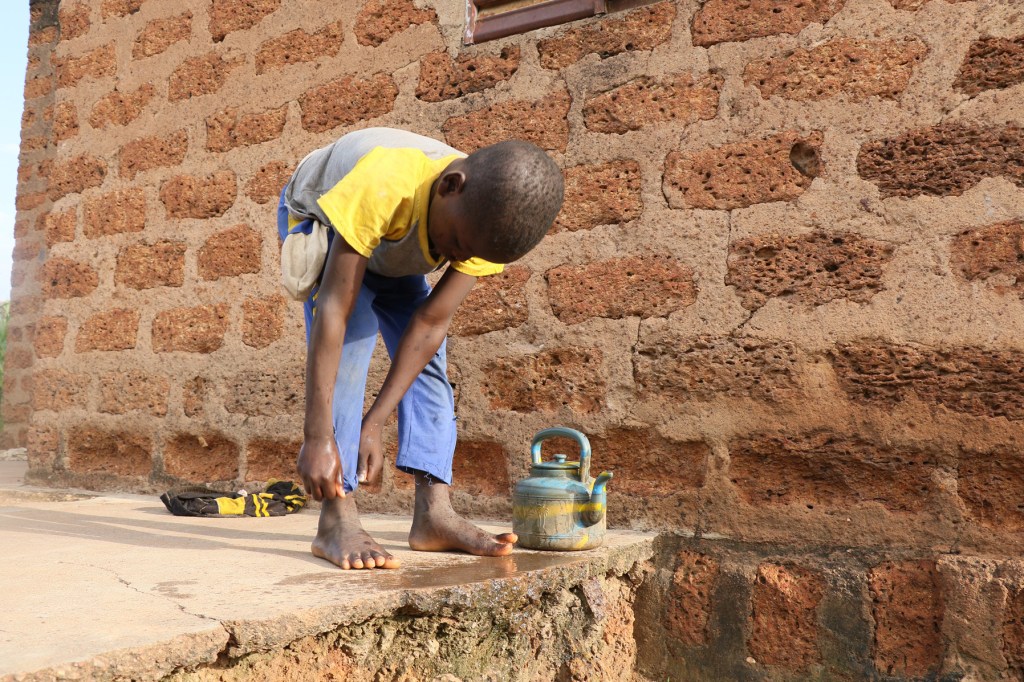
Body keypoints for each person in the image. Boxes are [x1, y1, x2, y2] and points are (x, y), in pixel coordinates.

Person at [277, 127, 564, 570]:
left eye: (465, 255)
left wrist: (374, 423)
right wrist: (318, 436)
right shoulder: (385, 182)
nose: (454, 258)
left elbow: (429, 325)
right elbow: (334, 309)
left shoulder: (487, 222)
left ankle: (434, 514)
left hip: (395, 241)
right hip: (331, 219)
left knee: (430, 364)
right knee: (351, 342)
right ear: (451, 186)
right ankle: (337, 517)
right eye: (456, 246)